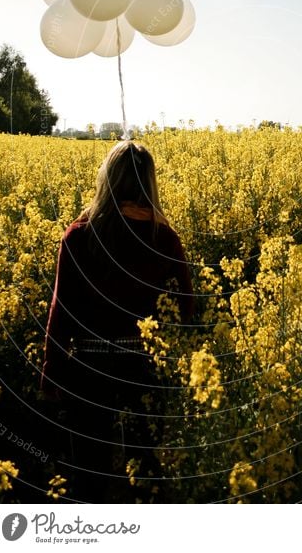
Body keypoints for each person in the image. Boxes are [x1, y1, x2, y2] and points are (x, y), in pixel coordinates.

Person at [40, 140, 195, 503]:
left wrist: (52, 370)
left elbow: (61, 310)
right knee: (147, 476)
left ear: (106, 180)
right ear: (149, 183)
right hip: (146, 367)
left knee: (89, 479)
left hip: (89, 369)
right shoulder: (165, 237)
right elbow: (186, 308)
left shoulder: (79, 235)